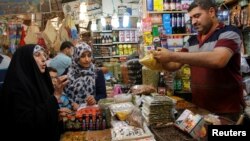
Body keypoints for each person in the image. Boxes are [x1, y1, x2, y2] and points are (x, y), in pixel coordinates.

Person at [153, 0, 245, 121]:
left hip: (226, 110)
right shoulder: (191, 40)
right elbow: (174, 65)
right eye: (191, 18)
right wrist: (157, 59)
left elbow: (218, 59)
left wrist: (171, 55)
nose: (193, 22)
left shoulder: (229, 32)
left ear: (211, 12)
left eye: (197, 16)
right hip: (200, 108)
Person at [0, 44, 70, 141]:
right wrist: (55, 96)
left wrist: (55, 117)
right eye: (37, 55)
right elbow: (25, 124)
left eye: (44, 54)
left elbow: (41, 115)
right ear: (26, 60)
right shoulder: (16, 88)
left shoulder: (41, 83)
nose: (43, 58)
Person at [64, 42, 107, 110]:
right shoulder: (68, 72)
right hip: (72, 113)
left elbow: (103, 95)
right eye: (83, 56)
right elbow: (63, 94)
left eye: (89, 55)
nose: (87, 59)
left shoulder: (97, 72)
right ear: (76, 57)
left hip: (91, 113)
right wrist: (71, 104)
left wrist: (95, 99)